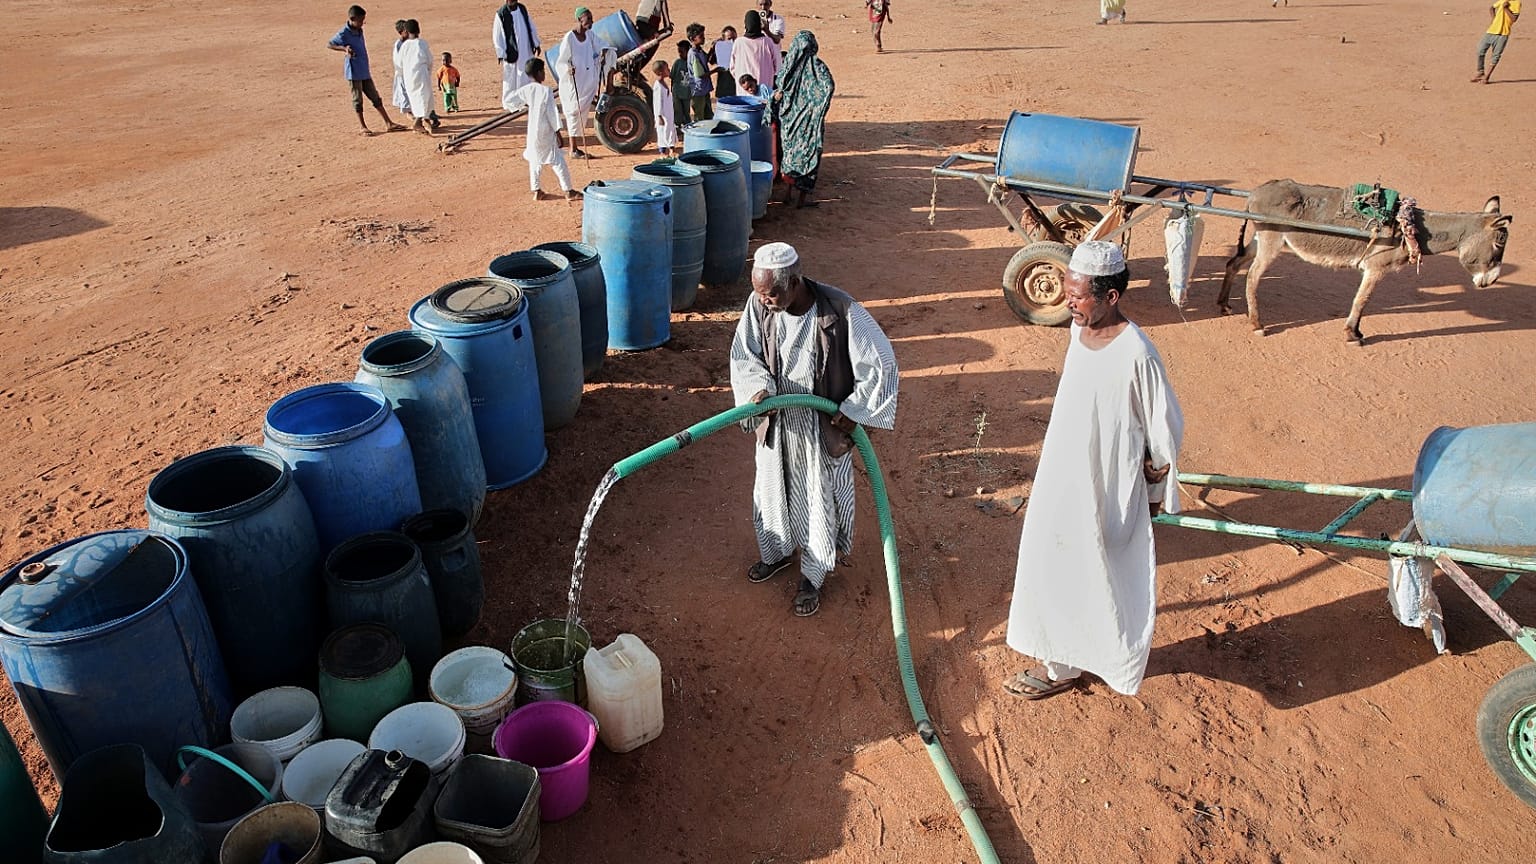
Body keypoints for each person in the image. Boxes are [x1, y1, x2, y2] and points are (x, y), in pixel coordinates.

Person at [1002, 241, 1184, 700]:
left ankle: (1112, 661)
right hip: (1063, 475)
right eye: (1067, 291)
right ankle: (1059, 663)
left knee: (1104, 574)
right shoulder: (1077, 332)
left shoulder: (1138, 353)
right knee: (1055, 563)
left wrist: (1157, 493)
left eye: (1079, 295)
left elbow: (1164, 431)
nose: (1069, 302)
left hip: (1110, 484)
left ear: (1111, 297)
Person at [729, 242, 900, 618]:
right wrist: (758, 388)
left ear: (794, 282)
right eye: (759, 293)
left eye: (772, 293)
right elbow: (744, 354)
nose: (765, 301)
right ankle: (775, 554)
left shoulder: (840, 310)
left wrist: (855, 410)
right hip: (778, 418)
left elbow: (882, 362)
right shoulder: (759, 304)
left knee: (818, 501)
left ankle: (812, 576)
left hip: (821, 425)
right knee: (771, 491)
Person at [771, 30, 832, 209]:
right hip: (810, 125)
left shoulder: (788, 67)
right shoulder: (817, 66)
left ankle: (788, 194)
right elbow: (828, 87)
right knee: (809, 157)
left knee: (790, 157)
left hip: (790, 125)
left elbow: (778, 92)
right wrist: (817, 107)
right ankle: (801, 200)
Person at [328, 5, 406, 136]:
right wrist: (344, 49)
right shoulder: (343, 33)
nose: (362, 23)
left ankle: (388, 123)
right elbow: (330, 44)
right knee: (357, 100)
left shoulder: (359, 30)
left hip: (364, 69)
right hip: (353, 72)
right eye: (360, 20)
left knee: (375, 97)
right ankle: (362, 126)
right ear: (352, 19)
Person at [515, 59, 581, 202]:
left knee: (535, 160)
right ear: (539, 73)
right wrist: (558, 133)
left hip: (532, 131)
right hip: (545, 131)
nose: (544, 74)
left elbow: (510, 100)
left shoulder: (525, 90)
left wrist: (524, 105)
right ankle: (569, 190)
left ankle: (536, 190)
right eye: (543, 71)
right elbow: (552, 113)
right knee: (557, 161)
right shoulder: (546, 91)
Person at [556, 7, 603, 158]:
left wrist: (606, 50)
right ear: (579, 20)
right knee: (573, 113)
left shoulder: (589, 35)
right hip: (573, 83)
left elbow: (601, 45)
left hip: (587, 82)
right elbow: (562, 61)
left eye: (591, 19)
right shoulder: (569, 37)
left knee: (582, 115)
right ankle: (573, 149)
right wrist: (568, 69)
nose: (591, 22)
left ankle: (576, 148)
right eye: (588, 19)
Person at [494, 0, 541, 110]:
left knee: (526, 74)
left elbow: (530, 26)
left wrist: (536, 43)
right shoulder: (501, 13)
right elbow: (497, 34)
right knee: (511, 77)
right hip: (511, 51)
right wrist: (500, 53)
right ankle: (509, 102)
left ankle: (525, 99)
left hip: (526, 49)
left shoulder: (522, 9)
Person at [729, 11, 780, 100]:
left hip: (743, 89)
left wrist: (742, 81)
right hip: (764, 90)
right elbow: (777, 65)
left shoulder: (738, 42)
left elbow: (732, 68)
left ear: (745, 24)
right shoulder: (767, 42)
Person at [398, 20, 437, 135]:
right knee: (424, 96)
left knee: (417, 98)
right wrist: (428, 70)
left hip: (409, 75)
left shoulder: (405, 45)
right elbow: (429, 60)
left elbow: (399, 63)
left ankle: (426, 119)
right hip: (421, 74)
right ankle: (418, 122)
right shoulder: (421, 43)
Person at [1474, 0, 1521, 82]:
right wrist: (1493, 20)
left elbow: (1514, 19)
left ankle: (1487, 77)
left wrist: (1506, 8)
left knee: (1496, 56)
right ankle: (1480, 71)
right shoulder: (1502, 0)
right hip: (1491, 31)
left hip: (1503, 34)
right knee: (1480, 50)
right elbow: (1492, 8)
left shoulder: (1517, 3)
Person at [684, 23, 715, 122]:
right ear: (692, 39)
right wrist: (715, 70)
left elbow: (706, 59)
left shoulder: (699, 50)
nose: (703, 38)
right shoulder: (693, 54)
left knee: (708, 114)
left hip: (703, 89)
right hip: (698, 91)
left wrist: (712, 49)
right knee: (699, 117)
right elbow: (700, 74)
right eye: (701, 36)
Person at [651, 60, 677, 155]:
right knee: (662, 131)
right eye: (667, 69)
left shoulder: (664, 84)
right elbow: (657, 102)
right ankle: (663, 151)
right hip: (662, 115)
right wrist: (659, 116)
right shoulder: (658, 86)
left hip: (668, 112)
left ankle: (671, 148)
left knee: (670, 129)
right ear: (661, 72)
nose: (669, 70)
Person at [670, 40, 694, 126]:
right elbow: (672, 77)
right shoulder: (677, 63)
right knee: (677, 110)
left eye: (682, 52)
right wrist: (672, 90)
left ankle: (687, 125)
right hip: (677, 92)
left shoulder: (692, 63)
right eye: (679, 52)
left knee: (686, 110)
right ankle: (677, 125)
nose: (680, 54)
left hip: (687, 92)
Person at [711, 26, 738, 98]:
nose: (732, 41)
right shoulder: (720, 49)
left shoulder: (741, 48)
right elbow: (711, 61)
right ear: (723, 39)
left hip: (738, 87)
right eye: (729, 39)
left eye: (734, 38)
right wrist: (713, 48)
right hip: (723, 86)